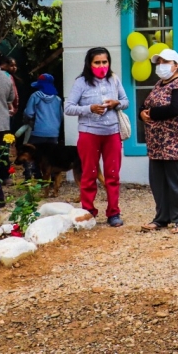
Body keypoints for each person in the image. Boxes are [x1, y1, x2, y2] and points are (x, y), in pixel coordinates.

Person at [64, 47, 129, 227]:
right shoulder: (81, 82)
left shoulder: (114, 79)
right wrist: (89, 108)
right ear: (89, 64)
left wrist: (117, 103)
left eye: (105, 62)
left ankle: (113, 213)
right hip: (89, 134)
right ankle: (88, 212)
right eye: (97, 62)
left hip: (112, 134)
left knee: (113, 175)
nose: (102, 66)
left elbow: (126, 102)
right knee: (89, 174)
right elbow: (68, 107)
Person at [139, 49, 178, 235]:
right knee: (158, 182)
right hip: (156, 142)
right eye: (158, 62)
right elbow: (144, 105)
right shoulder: (159, 83)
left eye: (164, 62)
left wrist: (151, 113)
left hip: (174, 142)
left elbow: (174, 109)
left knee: (176, 182)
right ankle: (161, 218)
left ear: (175, 65)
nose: (160, 65)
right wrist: (142, 113)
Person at [21, 74, 63, 179]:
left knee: (31, 153)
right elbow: (61, 116)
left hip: (38, 131)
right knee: (51, 156)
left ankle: (33, 176)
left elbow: (29, 113)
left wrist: (25, 112)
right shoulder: (57, 99)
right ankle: (52, 178)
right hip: (54, 133)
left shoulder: (35, 96)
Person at [0, 68, 14, 206]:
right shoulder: (6, 77)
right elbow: (11, 97)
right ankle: (5, 176)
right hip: (2, 122)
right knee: (3, 153)